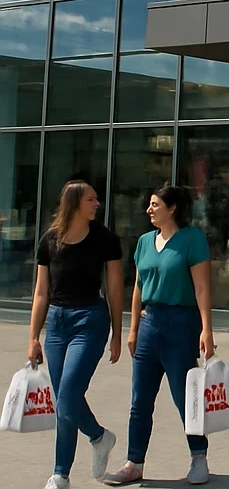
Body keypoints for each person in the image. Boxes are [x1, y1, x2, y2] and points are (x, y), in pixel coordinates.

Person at [104, 186, 216, 487]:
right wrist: (132, 330)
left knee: (184, 397)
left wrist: (207, 329)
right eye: (149, 205)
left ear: (173, 208)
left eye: (155, 205)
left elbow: (202, 288)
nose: (149, 210)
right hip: (149, 323)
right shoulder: (143, 242)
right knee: (140, 400)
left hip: (181, 323)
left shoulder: (192, 240)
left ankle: (198, 456)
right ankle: (134, 462)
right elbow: (139, 286)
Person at [28, 181, 123, 489]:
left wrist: (118, 333)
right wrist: (33, 337)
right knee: (63, 398)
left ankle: (60, 473)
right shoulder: (50, 240)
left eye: (97, 198)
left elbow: (114, 288)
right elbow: (41, 293)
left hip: (90, 321)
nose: (97, 204)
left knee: (68, 395)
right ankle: (98, 437)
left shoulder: (105, 239)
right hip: (56, 323)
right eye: (91, 199)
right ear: (74, 203)